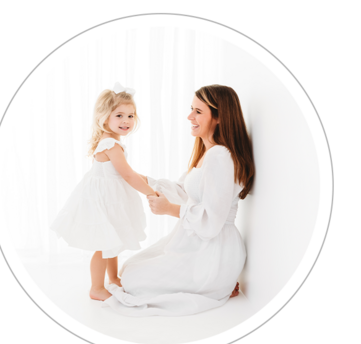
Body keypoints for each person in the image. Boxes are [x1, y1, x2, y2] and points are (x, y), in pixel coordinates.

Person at [101, 84, 255, 317]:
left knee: (132, 281)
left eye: (198, 112)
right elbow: (183, 190)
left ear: (219, 117)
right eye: (191, 109)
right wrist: (133, 178)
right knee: (130, 269)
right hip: (196, 244)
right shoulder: (208, 152)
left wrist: (170, 209)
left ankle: (216, 281)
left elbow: (212, 221)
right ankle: (215, 281)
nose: (189, 116)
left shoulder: (220, 157)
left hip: (212, 249)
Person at [50, 83, 156, 301]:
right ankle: (96, 288)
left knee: (113, 238)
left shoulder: (111, 140)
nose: (126, 121)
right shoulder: (110, 144)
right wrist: (150, 192)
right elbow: (127, 175)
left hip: (109, 197)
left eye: (130, 115)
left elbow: (123, 172)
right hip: (102, 199)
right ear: (104, 117)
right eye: (119, 115)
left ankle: (113, 277)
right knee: (103, 244)